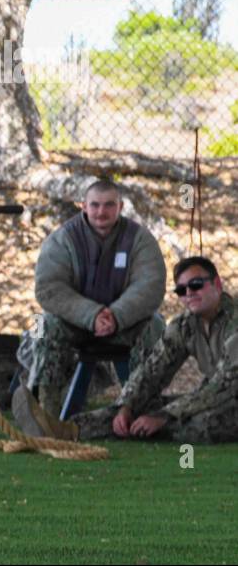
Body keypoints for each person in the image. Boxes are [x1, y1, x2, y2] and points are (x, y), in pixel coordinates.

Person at [15, 257, 238, 444]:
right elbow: (153, 370)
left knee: (201, 423)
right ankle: (63, 431)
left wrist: (164, 416)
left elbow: (224, 385)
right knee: (142, 410)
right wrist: (128, 405)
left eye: (197, 285)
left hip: (227, 398)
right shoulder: (184, 325)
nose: (189, 293)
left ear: (216, 284)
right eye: (181, 289)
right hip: (218, 398)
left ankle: (142, 430)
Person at [25, 179, 166, 417]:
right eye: (95, 205)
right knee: (43, 325)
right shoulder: (63, 239)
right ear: (84, 206)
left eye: (109, 205)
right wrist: (92, 315)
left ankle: (143, 407)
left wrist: (116, 315)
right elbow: (48, 288)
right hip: (76, 324)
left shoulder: (139, 239)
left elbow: (150, 285)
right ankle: (46, 410)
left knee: (156, 325)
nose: (102, 212)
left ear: (120, 207)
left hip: (125, 323)